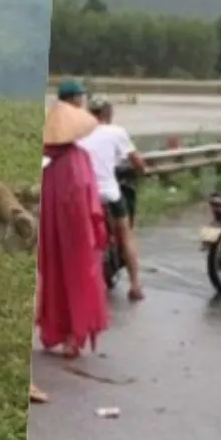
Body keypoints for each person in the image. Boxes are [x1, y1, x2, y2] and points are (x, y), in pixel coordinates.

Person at [36, 88, 109, 370]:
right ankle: (73, 337)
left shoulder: (48, 163)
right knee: (79, 282)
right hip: (77, 236)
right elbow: (90, 204)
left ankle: (57, 331)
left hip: (52, 235)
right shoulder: (80, 159)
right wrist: (97, 232)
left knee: (54, 279)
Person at [78, 94, 147, 301]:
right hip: (110, 194)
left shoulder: (78, 133)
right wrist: (142, 170)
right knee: (125, 235)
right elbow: (136, 162)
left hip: (84, 195)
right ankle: (135, 286)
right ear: (109, 114)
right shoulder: (117, 132)